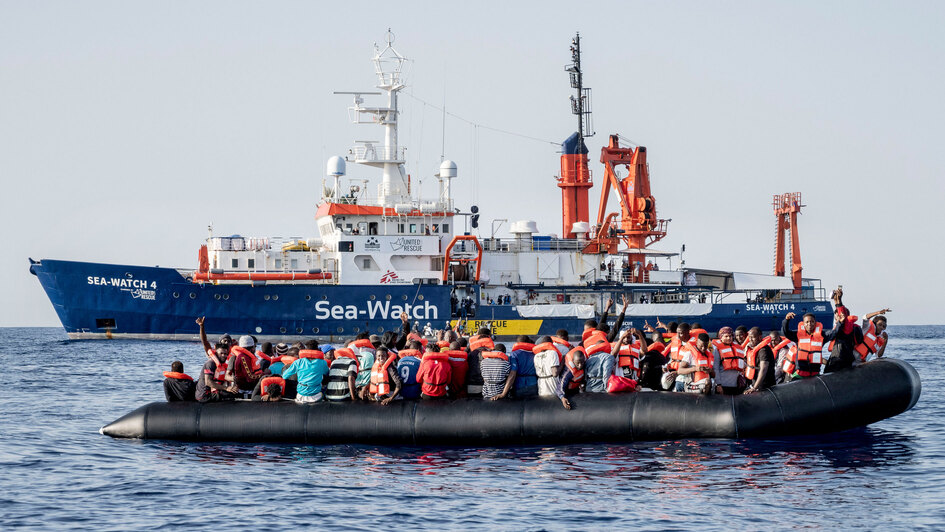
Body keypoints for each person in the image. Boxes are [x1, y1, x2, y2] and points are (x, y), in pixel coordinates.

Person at [781, 310, 840, 380]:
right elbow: (786, 333)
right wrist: (786, 320)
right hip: (800, 373)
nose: (809, 324)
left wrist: (840, 323)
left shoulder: (821, 335)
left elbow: (833, 333)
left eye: (812, 321)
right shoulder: (798, 335)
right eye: (807, 322)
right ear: (803, 324)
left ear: (815, 323)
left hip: (815, 374)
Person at [712, 327, 747, 395]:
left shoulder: (738, 348)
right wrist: (718, 385)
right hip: (723, 385)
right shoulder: (717, 350)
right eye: (726, 336)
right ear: (721, 337)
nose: (729, 338)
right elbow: (715, 368)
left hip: (735, 385)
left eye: (730, 336)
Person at [744, 327, 776, 394]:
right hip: (755, 383)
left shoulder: (764, 350)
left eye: (752, 337)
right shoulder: (753, 349)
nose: (750, 340)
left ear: (759, 337)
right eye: (749, 337)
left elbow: (763, 369)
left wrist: (754, 388)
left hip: (765, 386)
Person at [662, 322, 693, 391]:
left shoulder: (693, 346)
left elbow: (693, 365)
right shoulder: (674, 342)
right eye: (677, 333)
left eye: (681, 333)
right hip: (672, 373)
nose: (678, 336)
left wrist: (678, 372)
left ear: (688, 332)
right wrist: (667, 366)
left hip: (685, 377)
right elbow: (671, 358)